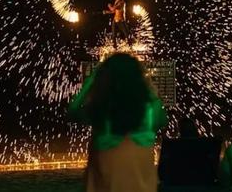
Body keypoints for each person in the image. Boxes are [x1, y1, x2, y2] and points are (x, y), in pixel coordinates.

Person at [68, 53, 168, 192]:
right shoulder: (151, 115)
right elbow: (160, 110)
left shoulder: (101, 116)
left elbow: (73, 110)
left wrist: (91, 80)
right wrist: (147, 82)